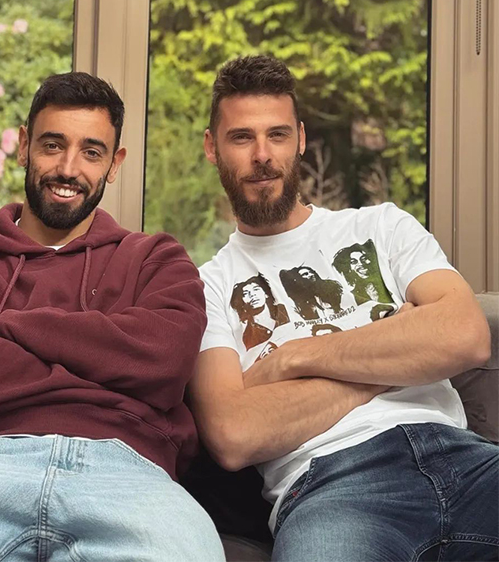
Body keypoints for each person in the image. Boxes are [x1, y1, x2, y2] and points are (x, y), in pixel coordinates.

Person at [0, 72, 225, 562]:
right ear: (24, 146)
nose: (68, 169)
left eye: (91, 152)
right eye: (53, 145)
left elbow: (165, 362)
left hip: (126, 474)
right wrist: (99, 367)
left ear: (114, 164)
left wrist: (10, 327)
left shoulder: (156, 259)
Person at [189, 54, 499, 561]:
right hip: (334, 488)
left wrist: (293, 359)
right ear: (212, 147)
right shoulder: (207, 286)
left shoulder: (383, 227)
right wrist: (396, 358)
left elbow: (466, 335)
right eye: (241, 137)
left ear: (300, 139)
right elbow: (234, 433)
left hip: (466, 462)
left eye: (277, 135)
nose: (262, 155)